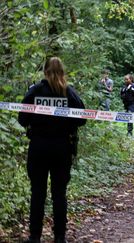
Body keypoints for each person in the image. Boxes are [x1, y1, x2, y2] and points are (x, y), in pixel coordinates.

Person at [18, 57, 86, 243]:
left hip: (39, 147)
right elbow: (82, 119)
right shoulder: (69, 93)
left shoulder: (35, 91)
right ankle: (59, 237)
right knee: (59, 193)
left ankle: (34, 237)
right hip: (62, 148)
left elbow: (22, 119)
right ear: (63, 72)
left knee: (37, 192)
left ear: (45, 72)